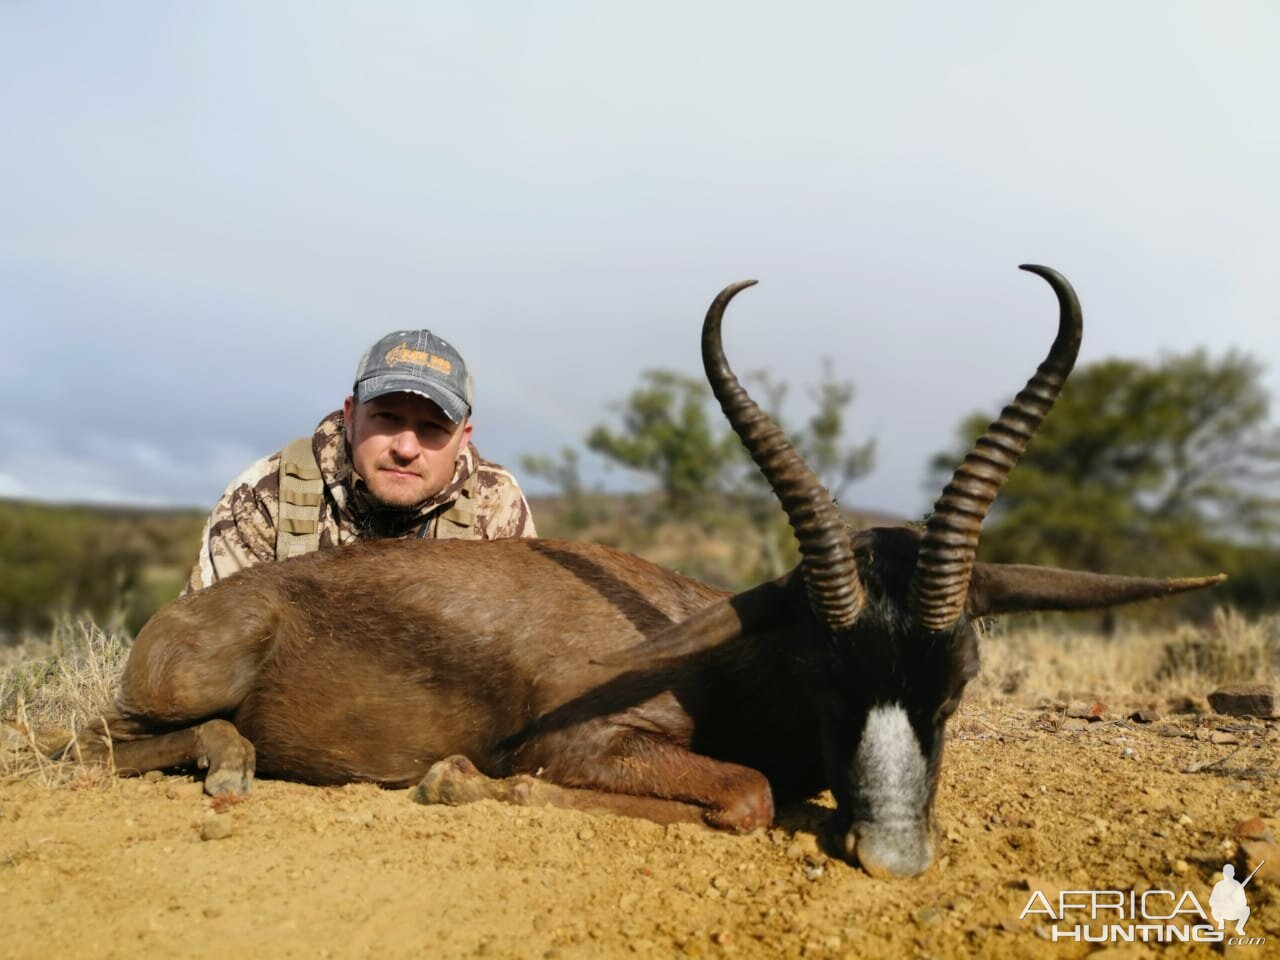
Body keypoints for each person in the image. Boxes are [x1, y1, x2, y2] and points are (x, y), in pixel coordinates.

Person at [184, 328, 536, 593]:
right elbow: (205, 645)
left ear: (463, 439)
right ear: (350, 417)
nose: (406, 448)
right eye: (387, 418)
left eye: (432, 428)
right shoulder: (264, 495)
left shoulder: (495, 505)